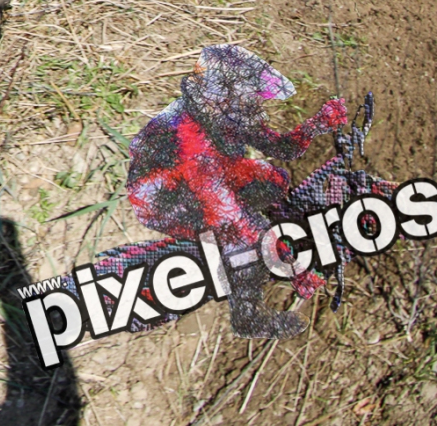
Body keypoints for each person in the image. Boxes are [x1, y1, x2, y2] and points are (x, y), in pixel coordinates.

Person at [126, 45, 348, 338]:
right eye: (249, 99)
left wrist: (316, 125)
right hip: (162, 197)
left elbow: (280, 147)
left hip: (206, 175)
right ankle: (247, 314)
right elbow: (227, 214)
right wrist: (290, 263)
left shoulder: (226, 117)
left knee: (273, 180)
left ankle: (268, 230)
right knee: (240, 237)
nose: (256, 106)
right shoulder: (189, 140)